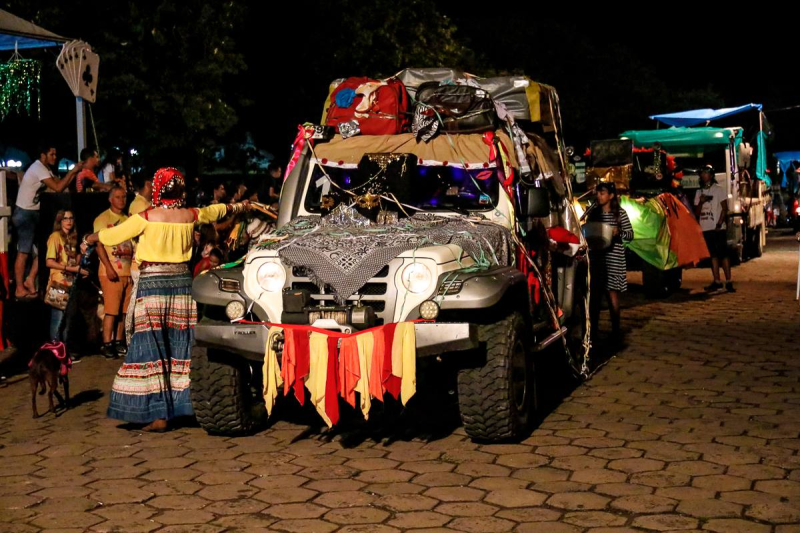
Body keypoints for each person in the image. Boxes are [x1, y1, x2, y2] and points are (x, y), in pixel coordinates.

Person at [83, 168, 249, 431]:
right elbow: (215, 211)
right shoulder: (191, 215)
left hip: (153, 286)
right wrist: (239, 205)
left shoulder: (146, 217)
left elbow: (113, 235)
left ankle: (158, 414)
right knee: (180, 345)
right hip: (183, 286)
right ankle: (187, 407)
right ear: (181, 191)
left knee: (152, 346)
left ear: (159, 190)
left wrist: (91, 237)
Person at [13, 144, 81, 299]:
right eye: (52, 154)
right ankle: (19, 288)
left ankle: (30, 279)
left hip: (32, 212)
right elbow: (57, 187)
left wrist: (72, 174)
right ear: (43, 155)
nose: (55, 157)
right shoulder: (38, 168)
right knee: (23, 252)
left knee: (43, 249)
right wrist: (73, 171)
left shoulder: (45, 169)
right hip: (25, 213)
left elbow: (61, 184)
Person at [587, 181, 633, 343]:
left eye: (603, 193)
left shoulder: (619, 214)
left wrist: (618, 232)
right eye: (598, 193)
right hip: (597, 257)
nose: (599, 196)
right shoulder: (594, 213)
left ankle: (615, 330)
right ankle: (592, 331)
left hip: (614, 257)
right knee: (595, 295)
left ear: (611, 195)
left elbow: (630, 234)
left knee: (612, 293)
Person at [94, 186, 135, 359]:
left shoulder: (128, 219)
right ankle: (107, 343)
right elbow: (99, 244)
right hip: (111, 270)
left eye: (124, 197)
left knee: (124, 311)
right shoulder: (103, 218)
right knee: (111, 310)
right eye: (118, 197)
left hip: (127, 271)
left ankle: (119, 340)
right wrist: (109, 268)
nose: (121, 200)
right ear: (111, 199)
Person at [44, 210, 88, 342]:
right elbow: (49, 262)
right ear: (59, 221)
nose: (68, 221)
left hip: (71, 283)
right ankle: (55, 351)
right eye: (65, 218)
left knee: (68, 319)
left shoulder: (72, 238)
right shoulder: (55, 237)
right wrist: (71, 268)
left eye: (71, 218)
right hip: (58, 283)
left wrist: (82, 254)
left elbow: (75, 262)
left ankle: (64, 350)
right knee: (58, 319)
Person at [694, 165, 733, 292]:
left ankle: (729, 281)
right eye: (702, 173)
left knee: (724, 254)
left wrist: (719, 223)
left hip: (718, 228)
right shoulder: (699, 192)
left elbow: (724, 208)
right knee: (713, 255)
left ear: (711, 175)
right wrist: (701, 202)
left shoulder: (719, 190)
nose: (703, 175)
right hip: (706, 227)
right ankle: (716, 280)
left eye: (706, 173)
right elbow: (697, 212)